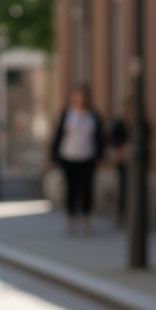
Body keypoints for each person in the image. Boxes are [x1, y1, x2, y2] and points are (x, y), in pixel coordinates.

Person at [50, 84, 105, 233]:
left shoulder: (92, 115)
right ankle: (70, 217)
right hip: (69, 157)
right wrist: (52, 157)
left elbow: (99, 137)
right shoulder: (67, 114)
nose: (80, 99)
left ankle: (86, 217)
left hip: (87, 157)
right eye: (77, 96)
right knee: (71, 188)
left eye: (82, 96)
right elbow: (58, 135)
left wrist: (100, 156)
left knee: (86, 188)